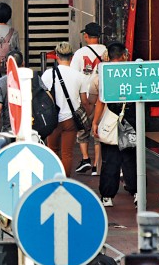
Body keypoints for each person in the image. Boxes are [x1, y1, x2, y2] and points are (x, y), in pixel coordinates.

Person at [92, 42, 137, 208]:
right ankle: (136, 192)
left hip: (111, 120)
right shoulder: (134, 72)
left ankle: (107, 196)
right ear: (124, 55)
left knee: (111, 158)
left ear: (108, 57)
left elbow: (100, 101)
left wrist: (95, 122)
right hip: (131, 121)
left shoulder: (105, 73)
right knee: (131, 158)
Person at [41, 42, 83, 177]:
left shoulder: (48, 74)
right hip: (71, 119)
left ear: (56, 56)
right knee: (67, 153)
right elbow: (85, 100)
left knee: (52, 150)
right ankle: (64, 182)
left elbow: (42, 96)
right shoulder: (79, 75)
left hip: (52, 119)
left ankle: (51, 178)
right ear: (71, 57)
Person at [71, 23, 106, 175]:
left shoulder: (79, 53)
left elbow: (73, 75)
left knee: (82, 129)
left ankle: (85, 158)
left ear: (86, 36)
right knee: (97, 130)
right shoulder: (106, 51)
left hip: (84, 96)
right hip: (102, 96)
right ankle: (97, 166)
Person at [0, 48, 22, 138]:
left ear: (7, 64)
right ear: (22, 64)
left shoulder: (1, 82)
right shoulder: (34, 78)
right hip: (33, 127)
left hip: (10, 128)